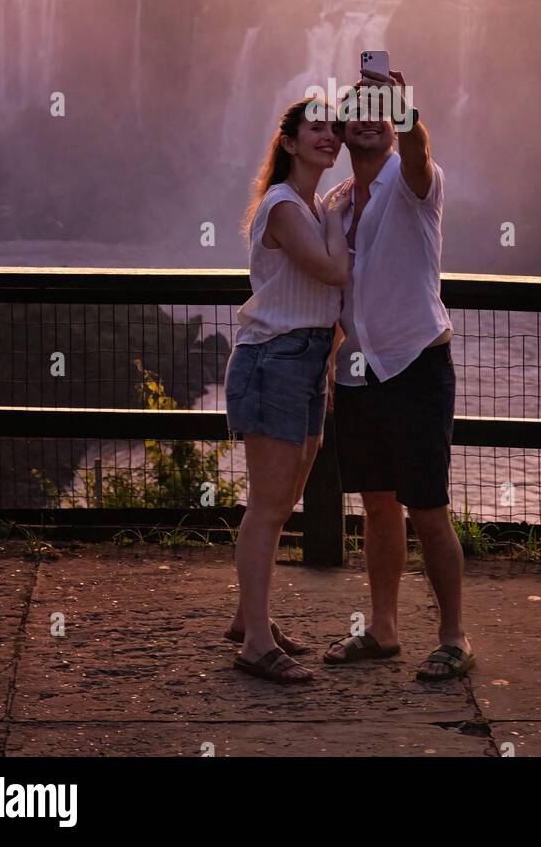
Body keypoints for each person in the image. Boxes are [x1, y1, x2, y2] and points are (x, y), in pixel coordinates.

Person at [323, 71, 475, 680]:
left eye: (379, 112)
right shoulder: (335, 204)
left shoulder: (416, 184)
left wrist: (402, 105)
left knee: (429, 506)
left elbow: (419, 150)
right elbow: (340, 295)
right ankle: (383, 630)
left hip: (415, 364)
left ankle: (454, 637)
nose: (368, 119)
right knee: (377, 507)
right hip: (359, 372)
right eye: (356, 111)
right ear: (339, 130)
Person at [223, 99, 349, 684]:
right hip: (273, 359)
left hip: (306, 360)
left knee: (286, 496)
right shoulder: (283, 207)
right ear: (291, 143)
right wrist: (353, 215)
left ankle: (248, 618)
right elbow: (330, 271)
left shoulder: (314, 204)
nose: (329, 135)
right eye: (316, 127)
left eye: (334, 128)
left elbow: (325, 292)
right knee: (268, 505)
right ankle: (254, 645)